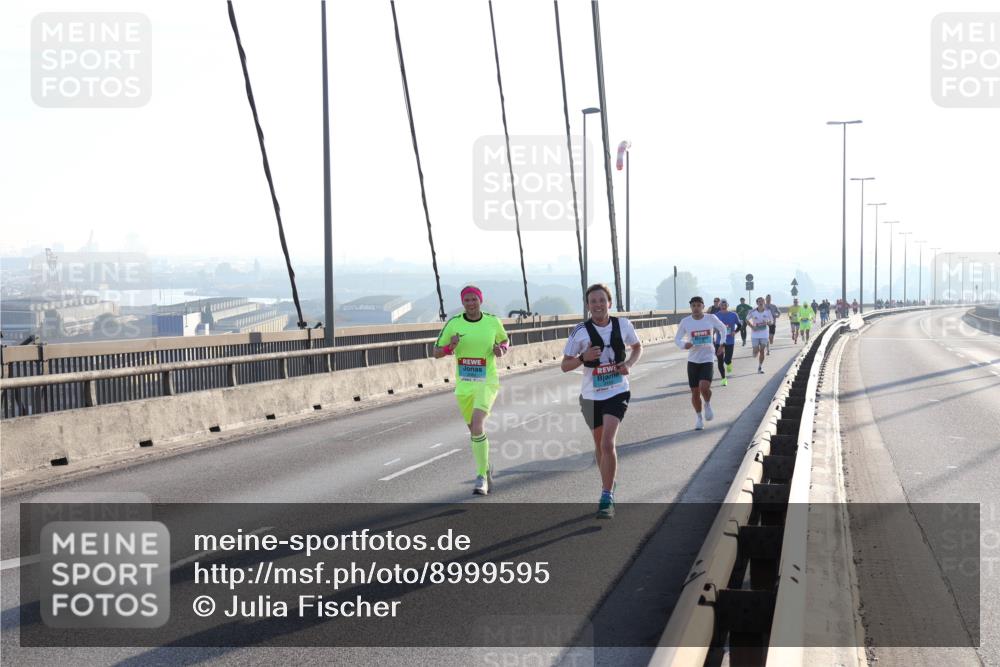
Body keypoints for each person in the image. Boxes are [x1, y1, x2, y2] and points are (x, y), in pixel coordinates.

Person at [562, 283, 642, 519]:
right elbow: (565, 365)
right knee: (599, 446)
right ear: (587, 306)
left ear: (609, 303)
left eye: (601, 300)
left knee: (608, 443)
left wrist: (628, 364)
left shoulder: (623, 324)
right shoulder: (580, 331)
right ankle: (609, 483)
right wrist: (582, 358)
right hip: (591, 396)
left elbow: (637, 347)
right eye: (592, 301)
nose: (597, 305)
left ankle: (607, 496)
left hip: (617, 391)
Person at [434, 285, 509, 495]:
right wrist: (451, 347)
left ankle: (481, 478)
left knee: (478, 423)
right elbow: (436, 352)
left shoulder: (492, 321)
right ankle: (485, 467)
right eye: (466, 300)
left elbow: (504, 340)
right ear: (462, 303)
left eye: (474, 299)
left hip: (487, 382)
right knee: (474, 431)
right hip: (465, 385)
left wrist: (501, 350)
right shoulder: (454, 323)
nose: (470, 303)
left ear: (480, 300)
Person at [675, 296, 729, 431]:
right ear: (690, 308)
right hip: (693, 360)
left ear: (703, 307)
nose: (696, 308)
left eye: (698, 305)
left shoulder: (710, 318)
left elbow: (723, 329)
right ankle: (699, 418)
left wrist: (722, 344)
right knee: (694, 392)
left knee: (704, 387)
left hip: (707, 358)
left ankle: (708, 403)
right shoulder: (685, 322)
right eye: (693, 305)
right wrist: (684, 345)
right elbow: (677, 339)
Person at [714, 299, 741, 386]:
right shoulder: (716, 316)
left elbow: (740, 325)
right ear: (720, 306)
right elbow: (712, 326)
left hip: (730, 340)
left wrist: (735, 332)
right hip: (719, 341)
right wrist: (713, 332)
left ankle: (729, 363)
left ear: (727, 305)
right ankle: (723, 378)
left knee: (727, 359)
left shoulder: (733, 315)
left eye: (725, 304)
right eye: (722, 304)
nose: (723, 305)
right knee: (720, 361)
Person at [745, 297, 774, 373]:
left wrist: (767, 323)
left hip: (764, 334)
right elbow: (746, 319)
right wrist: (752, 326)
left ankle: (760, 367)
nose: (761, 302)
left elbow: (771, 322)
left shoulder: (768, 312)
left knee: (762, 351)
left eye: (762, 301)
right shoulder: (753, 311)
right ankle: (754, 351)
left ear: (764, 302)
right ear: (757, 303)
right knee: (755, 353)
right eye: (759, 301)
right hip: (755, 335)